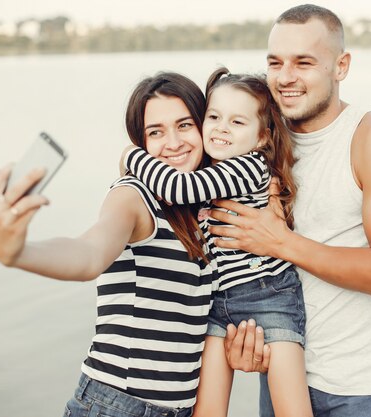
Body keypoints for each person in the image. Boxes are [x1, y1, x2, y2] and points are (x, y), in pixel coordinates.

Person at [208, 4, 371, 417]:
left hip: (358, 390)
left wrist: (282, 242)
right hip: (282, 374)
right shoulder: (254, 138)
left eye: (304, 62)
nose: (285, 78)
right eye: (275, 62)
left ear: (341, 66)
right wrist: (241, 334)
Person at [0, 72, 220, 417]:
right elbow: (89, 254)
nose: (173, 142)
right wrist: (18, 252)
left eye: (184, 125)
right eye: (156, 132)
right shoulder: (133, 196)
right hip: (116, 405)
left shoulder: (202, 211)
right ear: (141, 143)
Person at [121, 67, 313, 417]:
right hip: (217, 301)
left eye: (238, 123)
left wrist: (132, 156)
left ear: (262, 138)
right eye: (213, 117)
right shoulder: (211, 171)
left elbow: (176, 190)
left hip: (270, 295)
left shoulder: (248, 167)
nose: (222, 128)